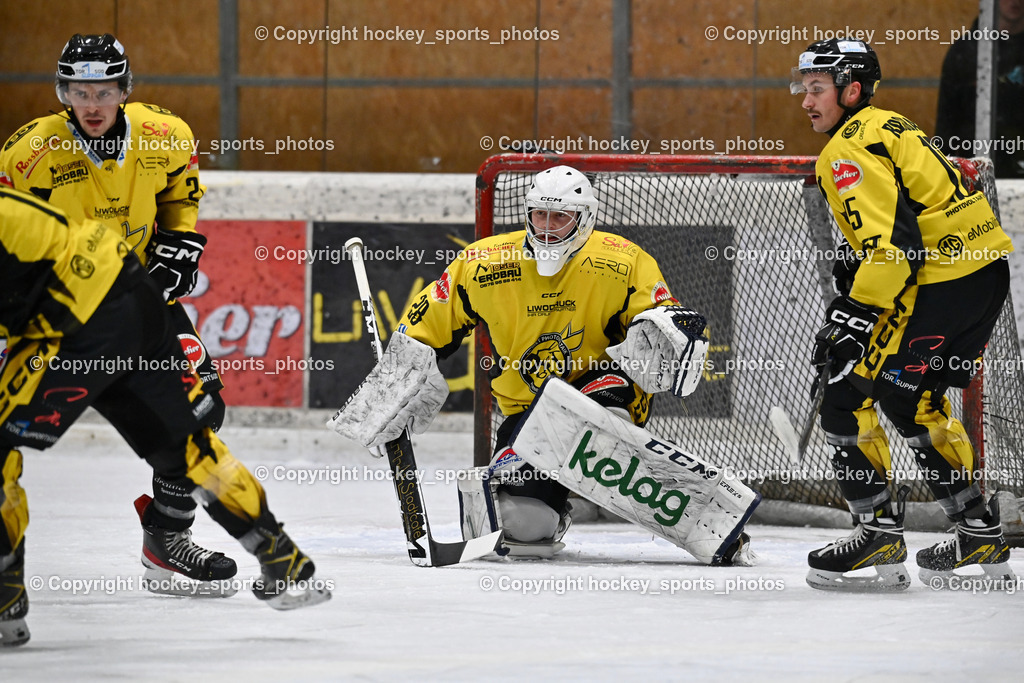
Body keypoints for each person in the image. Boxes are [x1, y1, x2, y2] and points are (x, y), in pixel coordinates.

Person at [330, 165, 759, 565]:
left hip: (605, 391)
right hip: (527, 412)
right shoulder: (483, 263)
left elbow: (659, 326)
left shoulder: (623, 261)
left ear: (584, 219)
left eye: (561, 217)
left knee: (592, 419)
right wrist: (395, 383)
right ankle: (554, 499)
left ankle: (618, 469)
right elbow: (425, 328)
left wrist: (671, 332)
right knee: (518, 529)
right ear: (528, 214)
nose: (548, 227)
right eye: (540, 215)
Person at [0, 186, 330, 646]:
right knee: (188, 444)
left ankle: (5, 598)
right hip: (136, 295)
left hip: (78, 322)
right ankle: (281, 558)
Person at [0, 34, 230, 596]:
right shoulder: (28, 154)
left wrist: (179, 243)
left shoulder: (166, 136)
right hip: (50, 313)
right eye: (79, 92)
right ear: (64, 93)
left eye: (104, 91)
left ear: (125, 89)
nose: (92, 104)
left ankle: (167, 539)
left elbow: (179, 196)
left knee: (200, 408)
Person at [791, 38, 1016, 591]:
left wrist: (853, 315)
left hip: (938, 283)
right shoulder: (890, 123)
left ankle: (878, 534)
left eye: (817, 89)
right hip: (982, 274)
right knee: (909, 398)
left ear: (851, 90)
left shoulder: (844, 150)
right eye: (804, 88)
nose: (806, 101)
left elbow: (895, 248)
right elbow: (915, 213)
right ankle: (978, 532)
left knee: (843, 391)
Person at [935, 0, 1024, 178]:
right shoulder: (966, 52)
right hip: (976, 172)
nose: (1015, 1)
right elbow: (947, 122)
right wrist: (942, 174)